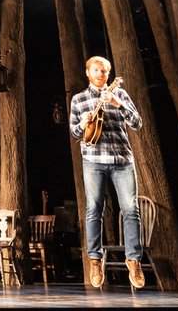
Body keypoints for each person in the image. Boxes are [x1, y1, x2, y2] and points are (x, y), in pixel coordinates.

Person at [69, 55, 145, 290]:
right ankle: (94, 260)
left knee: (131, 210)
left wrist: (118, 104)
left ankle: (133, 260)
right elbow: (74, 132)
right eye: (97, 70)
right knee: (93, 210)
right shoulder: (79, 100)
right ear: (88, 73)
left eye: (105, 71)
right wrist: (83, 124)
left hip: (122, 160)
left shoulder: (119, 94)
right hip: (93, 161)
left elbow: (137, 123)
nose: (101, 74)